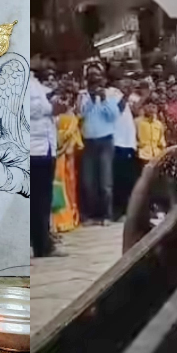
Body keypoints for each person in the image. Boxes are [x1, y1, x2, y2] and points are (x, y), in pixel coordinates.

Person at [28, 64, 62, 257]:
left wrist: (59, 97)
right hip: (31, 149)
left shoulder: (37, 84)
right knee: (35, 200)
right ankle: (38, 244)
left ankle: (43, 243)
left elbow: (51, 99)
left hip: (47, 147)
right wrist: (51, 108)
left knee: (43, 200)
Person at [78, 74, 121, 225]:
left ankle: (106, 215)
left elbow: (113, 116)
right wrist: (90, 98)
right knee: (88, 181)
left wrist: (103, 100)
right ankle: (91, 215)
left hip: (105, 141)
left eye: (97, 83)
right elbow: (81, 113)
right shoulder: (83, 97)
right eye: (92, 84)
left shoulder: (110, 96)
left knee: (105, 182)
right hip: (88, 142)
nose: (95, 87)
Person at [52, 93, 83, 233]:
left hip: (64, 156)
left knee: (66, 186)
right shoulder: (60, 119)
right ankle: (62, 220)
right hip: (59, 155)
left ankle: (66, 218)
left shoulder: (70, 119)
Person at [109, 77, 139, 220]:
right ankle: (117, 211)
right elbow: (116, 110)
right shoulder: (110, 93)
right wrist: (126, 95)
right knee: (119, 179)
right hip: (118, 143)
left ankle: (128, 210)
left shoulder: (125, 96)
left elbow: (136, 109)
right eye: (123, 80)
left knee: (129, 179)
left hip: (129, 144)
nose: (127, 83)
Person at [136, 101, 167, 166]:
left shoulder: (159, 124)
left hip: (156, 157)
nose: (151, 109)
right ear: (144, 107)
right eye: (149, 107)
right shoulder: (137, 122)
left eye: (154, 107)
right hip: (142, 156)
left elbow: (161, 141)